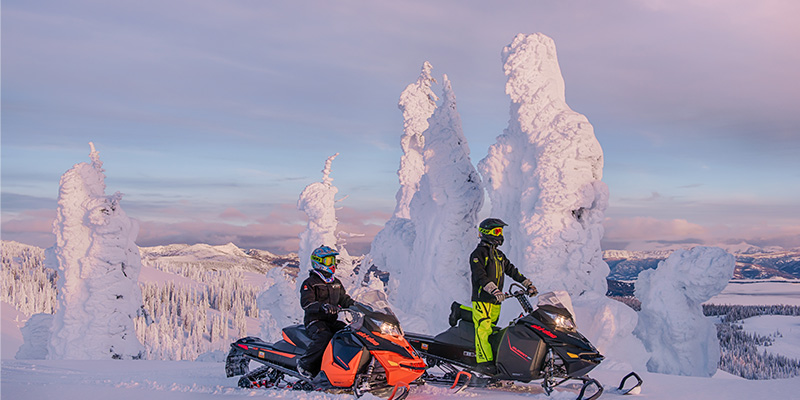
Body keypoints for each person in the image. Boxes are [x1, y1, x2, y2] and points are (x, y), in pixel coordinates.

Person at [470, 218, 537, 375]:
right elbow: (480, 275)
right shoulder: (478, 254)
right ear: (487, 233)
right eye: (497, 231)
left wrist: (527, 283)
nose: (500, 235)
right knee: (483, 329)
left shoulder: (499, 255)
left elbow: (512, 270)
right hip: (483, 299)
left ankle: (493, 358)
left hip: (496, 301)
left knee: (492, 330)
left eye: (500, 231)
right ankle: (483, 363)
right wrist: (493, 290)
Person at [296, 245, 355, 379]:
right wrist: (323, 306)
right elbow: (306, 303)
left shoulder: (336, 283)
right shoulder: (310, 283)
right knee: (324, 336)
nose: (333, 264)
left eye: (334, 261)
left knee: (350, 333)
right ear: (318, 262)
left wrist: (357, 306)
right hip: (315, 321)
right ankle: (305, 365)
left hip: (331, 321)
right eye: (329, 261)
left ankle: (341, 368)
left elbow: (344, 299)